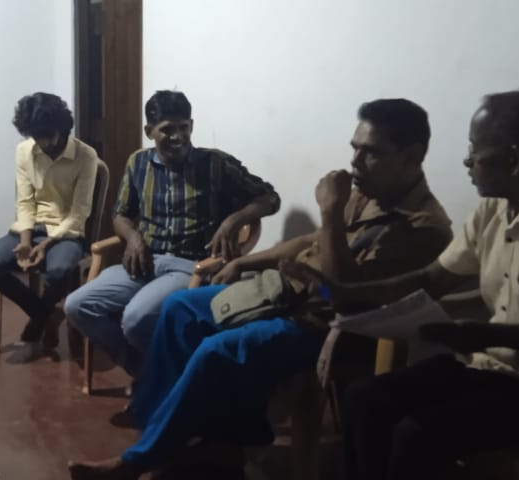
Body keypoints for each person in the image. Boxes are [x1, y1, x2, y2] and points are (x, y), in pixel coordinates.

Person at [68, 98, 454, 480]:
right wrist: (244, 262)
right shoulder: (369, 195)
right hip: (284, 291)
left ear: (411, 156)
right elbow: (310, 241)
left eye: (371, 153)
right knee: (179, 309)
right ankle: (175, 432)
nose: (355, 162)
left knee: (216, 350)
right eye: (355, 149)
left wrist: (329, 212)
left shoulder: (423, 227)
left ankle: (137, 461)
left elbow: (347, 295)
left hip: (326, 320)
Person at [294, 91, 519, 480]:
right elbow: (432, 278)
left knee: (416, 433)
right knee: (364, 398)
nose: (467, 161)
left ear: (513, 160)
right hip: (487, 367)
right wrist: (351, 293)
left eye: (474, 150)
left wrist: (487, 334)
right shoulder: (495, 206)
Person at [64, 90, 280, 378]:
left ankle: (159, 374)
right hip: (143, 261)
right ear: (149, 131)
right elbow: (121, 214)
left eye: (184, 127)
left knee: (136, 318)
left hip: (190, 265)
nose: (178, 137)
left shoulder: (215, 164)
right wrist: (134, 238)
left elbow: (270, 198)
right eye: (167, 129)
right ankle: (138, 365)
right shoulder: (138, 163)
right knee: (77, 306)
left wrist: (233, 221)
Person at [0, 92, 100, 363]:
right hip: (29, 228)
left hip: (66, 232)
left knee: (59, 271)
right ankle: (45, 314)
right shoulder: (24, 151)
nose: (42, 143)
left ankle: (38, 320)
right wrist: (25, 242)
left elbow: (79, 212)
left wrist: (46, 244)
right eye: (35, 136)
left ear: (62, 127)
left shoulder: (86, 156)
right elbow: (24, 201)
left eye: (47, 135)